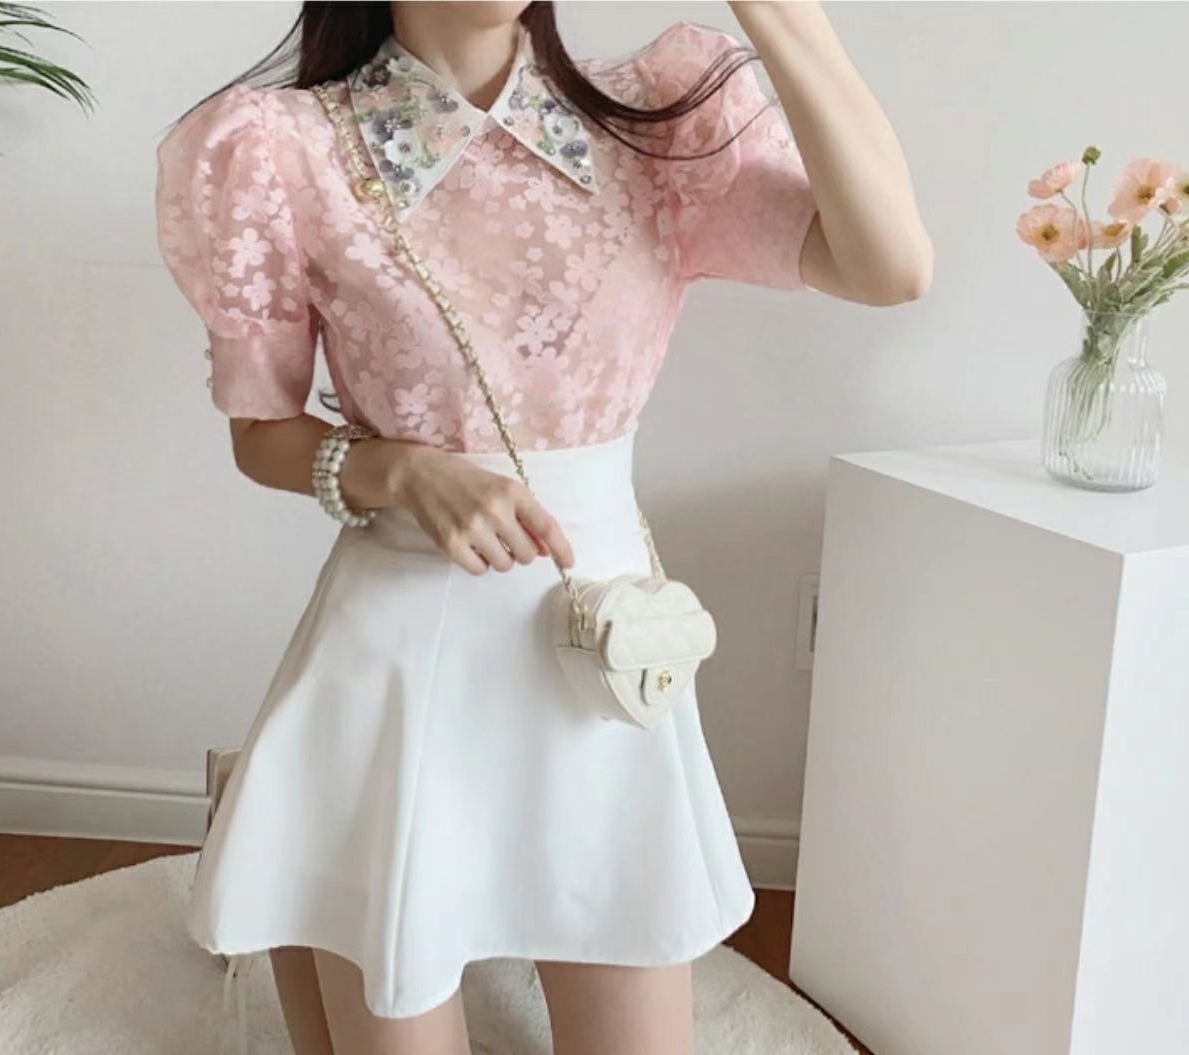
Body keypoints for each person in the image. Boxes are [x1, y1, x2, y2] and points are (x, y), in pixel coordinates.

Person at [154, 2, 931, 1053]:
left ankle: (273, 811)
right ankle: (292, 824)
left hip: (599, 648)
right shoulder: (283, 150)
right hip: (399, 656)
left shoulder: (652, 127)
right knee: (388, 968)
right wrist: (397, 468)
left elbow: (891, 267)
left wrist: (784, 16)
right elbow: (261, 434)